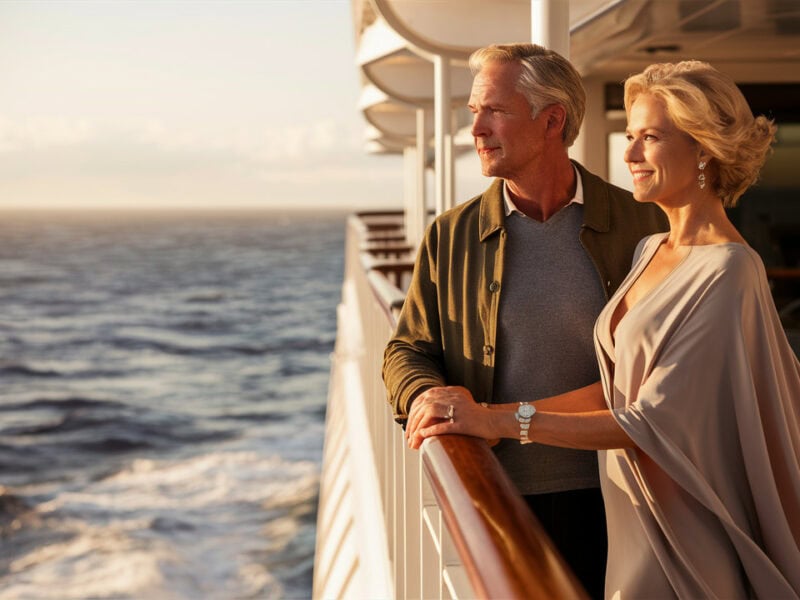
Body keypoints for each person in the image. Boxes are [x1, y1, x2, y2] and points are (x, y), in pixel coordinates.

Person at [406, 59, 800, 598]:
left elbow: (646, 423)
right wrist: (478, 417)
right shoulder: (650, 249)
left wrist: (501, 419)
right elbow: (616, 391)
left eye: (650, 138)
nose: (630, 155)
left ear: (703, 148)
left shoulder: (730, 270)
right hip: (630, 515)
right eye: (631, 136)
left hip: (679, 527)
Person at [382, 43, 666, 598]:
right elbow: (407, 348)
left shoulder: (643, 224)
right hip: (499, 494)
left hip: (623, 496)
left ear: (552, 120)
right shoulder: (452, 234)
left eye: (494, 111)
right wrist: (423, 395)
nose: (477, 130)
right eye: (473, 113)